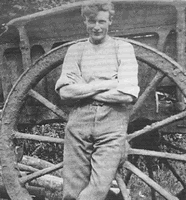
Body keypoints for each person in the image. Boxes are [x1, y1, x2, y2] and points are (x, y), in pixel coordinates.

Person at [55, 0, 139, 199]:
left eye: (102, 21)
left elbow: (127, 95)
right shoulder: (75, 50)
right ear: (85, 21)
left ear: (110, 21)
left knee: (99, 188)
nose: (96, 27)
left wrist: (83, 88)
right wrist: (107, 84)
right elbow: (65, 93)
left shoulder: (123, 48)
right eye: (91, 21)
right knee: (72, 191)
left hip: (112, 124)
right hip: (78, 124)